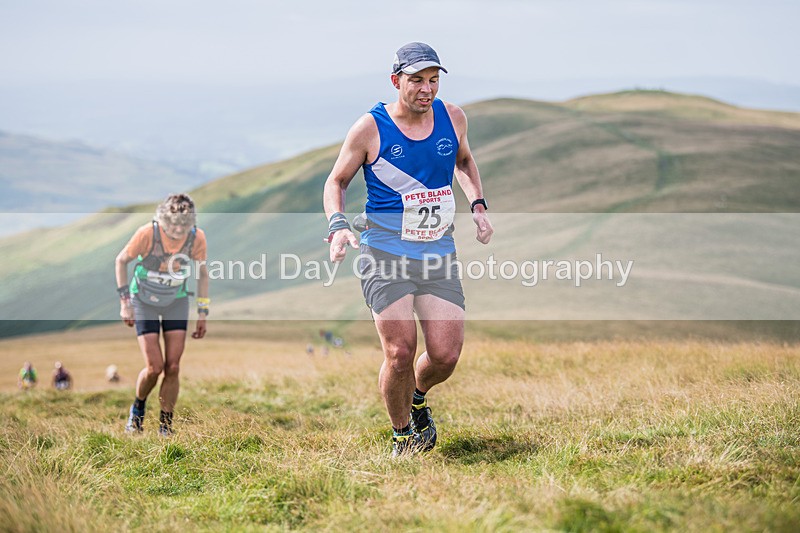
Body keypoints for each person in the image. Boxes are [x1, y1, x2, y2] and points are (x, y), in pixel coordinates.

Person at [322, 42, 493, 456]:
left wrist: (478, 206)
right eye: (417, 80)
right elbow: (336, 182)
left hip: (437, 251)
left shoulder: (453, 118)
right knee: (400, 352)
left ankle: (417, 398)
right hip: (384, 251)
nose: (426, 89)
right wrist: (339, 224)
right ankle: (402, 437)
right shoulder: (370, 128)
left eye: (433, 80)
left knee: (446, 356)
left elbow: (465, 162)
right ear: (396, 80)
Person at [115, 193, 209, 436]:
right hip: (143, 301)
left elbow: (203, 274)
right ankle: (137, 409)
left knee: (173, 366)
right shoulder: (147, 233)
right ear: (163, 219)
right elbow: (121, 261)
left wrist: (202, 312)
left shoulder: (196, 237)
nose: (178, 229)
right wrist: (125, 303)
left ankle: (166, 426)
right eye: (173, 224)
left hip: (175, 300)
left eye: (183, 225)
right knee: (154, 367)